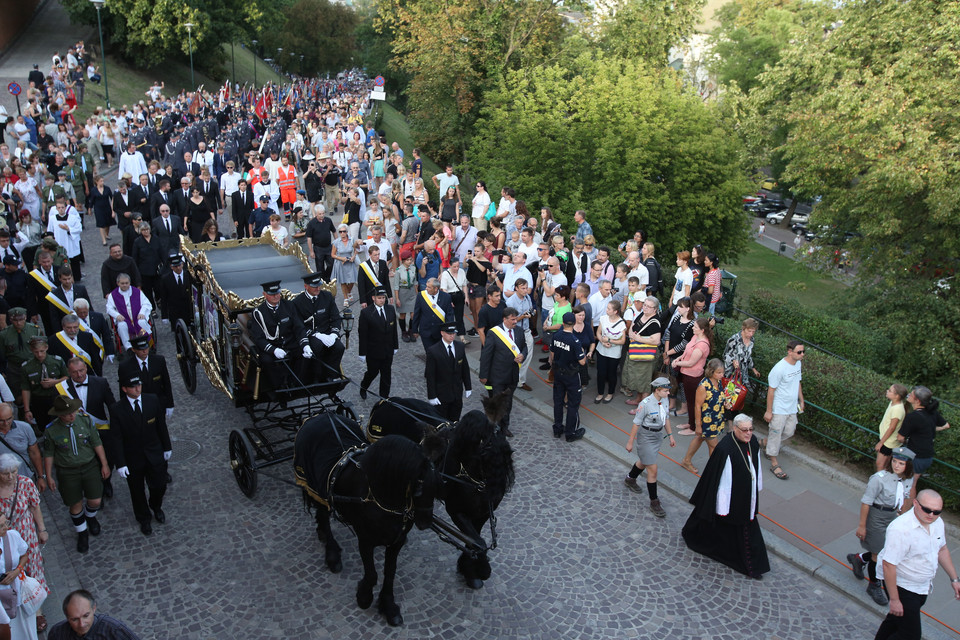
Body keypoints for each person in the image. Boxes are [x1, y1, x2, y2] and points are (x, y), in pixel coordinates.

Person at [682, 413, 770, 580]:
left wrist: (756, 487)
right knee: (739, 531)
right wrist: (722, 506)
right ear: (735, 429)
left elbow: (755, 465)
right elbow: (721, 481)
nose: (749, 433)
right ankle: (750, 567)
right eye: (744, 430)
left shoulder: (752, 442)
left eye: (751, 429)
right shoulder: (726, 448)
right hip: (731, 500)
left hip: (745, 495)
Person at [874, 489, 960, 640]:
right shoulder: (900, 529)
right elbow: (888, 565)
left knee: (895, 621)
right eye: (927, 509)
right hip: (903, 586)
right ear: (915, 503)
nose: (931, 515)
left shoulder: (937, 522)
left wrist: (954, 579)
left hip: (922, 586)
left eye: (936, 511)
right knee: (911, 635)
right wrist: (894, 600)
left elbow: (942, 549)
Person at [847, 446, 915, 606]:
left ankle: (859, 558)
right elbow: (866, 502)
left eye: (901, 463)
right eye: (895, 461)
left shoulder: (908, 479)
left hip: (893, 516)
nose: (896, 466)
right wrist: (862, 526)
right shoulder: (879, 478)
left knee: (886, 549)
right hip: (877, 516)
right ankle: (874, 585)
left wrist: (902, 517)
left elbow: (905, 498)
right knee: (879, 553)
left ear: (908, 466)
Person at [43, 395, 110, 553]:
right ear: (59, 414)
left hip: (89, 466)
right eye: (67, 413)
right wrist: (48, 476)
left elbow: (96, 443)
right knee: (75, 503)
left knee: (95, 500)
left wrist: (104, 464)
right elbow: (48, 454)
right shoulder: (51, 430)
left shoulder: (85, 420)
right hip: (67, 471)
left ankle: (90, 516)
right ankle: (82, 533)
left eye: (72, 411)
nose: (71, 415)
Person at [108, 374, 171, 536]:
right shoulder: (117, 409)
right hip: (133, 457)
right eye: (133, 386)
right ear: (124, 389)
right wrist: (120, 463)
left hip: (154, 452)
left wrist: (167, 447)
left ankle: (156, 506)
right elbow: (116, 438)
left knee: (160, 484)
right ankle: (144, 518)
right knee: (137, 491)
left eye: (139, 385)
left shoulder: (152, 400)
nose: (138, 389)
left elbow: (161, 426)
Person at [0, 451, 48, 631]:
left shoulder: (26, 484)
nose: (11, 476)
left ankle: (37, 609)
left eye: (13, 471)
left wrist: (41, 529)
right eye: (6, 473)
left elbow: (35, 507)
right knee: (8, 570)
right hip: (4, 538)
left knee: (33, 570)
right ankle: (12, 604)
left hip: (27, 534)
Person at [624, 377, 676, 517]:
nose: (668, 393)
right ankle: (654, 502)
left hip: (657, 436)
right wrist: (630, 441)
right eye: (666, 390)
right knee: (652, 470)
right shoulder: (645, 403)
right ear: (657, 390)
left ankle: (630, 478)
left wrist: (670, 435)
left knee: (645, 461)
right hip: (646, 437)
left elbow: (666, 418)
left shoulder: (664, 400)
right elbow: (636, 423)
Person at [478, 307, 526, 438]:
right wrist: (483, 375)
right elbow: (486, 355)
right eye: (512, 319)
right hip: (498, 376)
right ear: (504, 319)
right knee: (497, 403)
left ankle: (504, 427)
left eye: (516, 318)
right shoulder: (494, 333)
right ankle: (494, 427)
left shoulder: (519, 331)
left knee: (508, 403)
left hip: (512, 375)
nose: (515, 321)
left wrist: (522, 355)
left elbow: (524, 347)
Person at [247, 281, 305, 389]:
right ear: (264, 294)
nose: (276, 296)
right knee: (266, 361)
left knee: (302, 353)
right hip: (271, 345)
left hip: (288, 342)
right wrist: (274, 350)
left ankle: (296, 382)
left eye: (277, 293)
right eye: (272, 294)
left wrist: (305, 344)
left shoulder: (289, 306)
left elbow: (298, 326)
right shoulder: (259, 312)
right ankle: (277, 387)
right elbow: (259, 338)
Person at [678, 358, 732, 474]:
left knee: (699, 438)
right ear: (711, 371)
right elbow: (697, 406)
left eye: (722, 372)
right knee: (714, 446)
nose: (721, 375)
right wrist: (698, 425)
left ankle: (686, 461)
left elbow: (719, 397)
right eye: (718, 373)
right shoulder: (703, 386)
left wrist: (725, 403)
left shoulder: (718, 382)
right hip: (707, 421)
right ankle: (714, 470)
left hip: (715, 419)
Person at [898, 386, 950, 501]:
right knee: (912, 482)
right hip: (927, 456)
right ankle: (903, 510)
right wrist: (928, 430)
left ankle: (903, 512)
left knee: (908, 484)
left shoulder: (912, 417)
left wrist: (908, 439)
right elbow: (946, 425)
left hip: (916, 456)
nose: (908, 396)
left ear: (917, 401)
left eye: (911, 395)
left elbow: (900, 438)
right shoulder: (932, 413)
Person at [763, 340, 805, 480]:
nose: (802, 354)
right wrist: (769, 411)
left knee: (789, 431)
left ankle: (765, 443)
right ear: (790, 351)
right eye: (799, 352)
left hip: (792, 407)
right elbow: (771, 390)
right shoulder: (779, 368)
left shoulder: (798, 364)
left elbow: (797, 382)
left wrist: (801, 400)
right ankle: (774, 463)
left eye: (803, 351)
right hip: (779, 408)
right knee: (776, 434)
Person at [291, 272, 344, 383]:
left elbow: (335, 317)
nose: (318, 288)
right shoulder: (297, 302)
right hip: (311, 334)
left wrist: (334, 334)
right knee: (317, 346)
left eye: (319, 285)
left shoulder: (327, 296)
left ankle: (331, 375)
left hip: (327, 332)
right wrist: (316, 335)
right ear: (306, 286)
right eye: (314, 286)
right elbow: (299, 325)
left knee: (339, 347)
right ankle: (316, 377)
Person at [549, 312, 587, 442]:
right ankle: (570, 433)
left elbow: (553, 354)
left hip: (558, 373)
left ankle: (557, 428)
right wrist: (584, 353)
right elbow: (582, 362)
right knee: (573, 404)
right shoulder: (575, 341)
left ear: (563, 323)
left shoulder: (556, 335)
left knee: (558, 401)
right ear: (574, 323)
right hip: (571, 376)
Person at [357, 287, 398, 401]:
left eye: (383, 298)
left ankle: (384, 398)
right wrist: (362, 353)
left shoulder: (390, 309)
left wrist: (395, 346)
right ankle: (363, 386)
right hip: (373, 350)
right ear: (373, 298)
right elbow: (363, 334)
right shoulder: (366, 313)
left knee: (386, 374)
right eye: (379, 298)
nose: (382, 300)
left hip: (388, 349)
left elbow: (394, 329)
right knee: (372, 372)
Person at [47, 589, 142, 639]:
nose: (82, 624)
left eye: (86, 616)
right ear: (67, 617)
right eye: (75, 619)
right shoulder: (57, 633)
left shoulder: (114, 630)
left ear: (94, 608)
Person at [21, 336, 68, 435]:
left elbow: (67, 377)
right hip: (39, 400)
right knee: (44, 427)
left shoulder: (57, 361)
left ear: (46, 347)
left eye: (42, 351)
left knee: (61, 424)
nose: (39, 354)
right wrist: (27, 410)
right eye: (36, 352)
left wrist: (54, 382)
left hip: (56, 398)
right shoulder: (27, 367)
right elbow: (25, 388)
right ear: (32, 350)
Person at [425, 322, 471, 421]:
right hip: (441, 395)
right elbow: (430, 375)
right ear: (442, 333)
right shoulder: (433, 351)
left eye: (453, 333)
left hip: (457, 394)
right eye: (449, 333)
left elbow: (465, 368)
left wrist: (468, 387)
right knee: (442, 422)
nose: (452, 336)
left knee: (455, 420)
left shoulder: (460, 346)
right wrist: (432, 396)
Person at [721, 317, 761, 425]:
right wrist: (733, 360)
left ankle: (733, 422)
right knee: (730, 398)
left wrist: (753, 368)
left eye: (753, 331)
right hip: (731, 375)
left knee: (738, 399)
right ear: (743, 328)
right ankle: (730, 425)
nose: (751, 334)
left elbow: (748, 357)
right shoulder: (734, 339)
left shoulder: (751, 341)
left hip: (742, 375)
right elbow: (725, 355)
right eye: (749, 331)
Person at [105, 273, 152, 352]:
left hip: (137, 316)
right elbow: (109, 308)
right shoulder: (113, 295)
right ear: (118, 283)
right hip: (123, 318)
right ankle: (129, 348)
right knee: (122, 326)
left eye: (127, 283)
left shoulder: (137, 292)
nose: (125, 285)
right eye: (122, 283)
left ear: (130, 282)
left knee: (142, 322)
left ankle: (145, 342)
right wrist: (117, 315)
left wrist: (142, 312)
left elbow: (146, 304)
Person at [594, 300, 626, 404]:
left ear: (615, 311)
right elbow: (598, 333)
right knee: (601, 373)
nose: (606, 310)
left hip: (614, 353)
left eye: (608, 309)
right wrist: (602, 342)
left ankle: (610, 393)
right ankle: (600, 393)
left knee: (611, 374)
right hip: (601, 350)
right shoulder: (603, 319)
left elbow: (622, 341)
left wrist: (609, 340)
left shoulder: (621, 324)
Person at [410, 277, 453, 352]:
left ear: (436, 288)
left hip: (440, 332)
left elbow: (449, 315)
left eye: (429, 287)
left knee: (440, 353)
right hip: (426, 331)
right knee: (430, 353)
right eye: (426, 286)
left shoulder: (446, 297)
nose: (426, 288)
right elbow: (417, 313)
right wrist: (415, 330)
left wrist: (449, 331)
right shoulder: (421, 295)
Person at [874, 384, 909, 472]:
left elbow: (892, 428)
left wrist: (881, 443)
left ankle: (879, 484)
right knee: (884, 465)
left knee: (880, 465)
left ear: (897, 396)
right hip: (887, 440)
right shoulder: (893, 403)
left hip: (888, 442)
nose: (887, 391)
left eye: (890, 391)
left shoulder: (897, 410)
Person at [330, 224, 358, 306]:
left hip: (350, 262)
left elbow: (356, 250)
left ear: (347, 232)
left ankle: (349, 291)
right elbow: (332, 254)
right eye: (340, 232)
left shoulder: (352, 240)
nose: (342, 233)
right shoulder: (336, 242)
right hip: (340, 263)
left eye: (344, 231)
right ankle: (346, 298)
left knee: (352, 280)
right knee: (343, 281)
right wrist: (341, 258)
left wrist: (353, 256)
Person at [305, 204, 335, 281]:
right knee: (320, 267)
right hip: (318, 248)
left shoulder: (328, 220)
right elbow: (309, 238)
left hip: (328, 246)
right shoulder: (311, 223)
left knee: (331, 264)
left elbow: (334, 231)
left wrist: (337, 244)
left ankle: (327, 277)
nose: (322, 215)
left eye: (323, 213)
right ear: (316, 214)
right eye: (320, 214)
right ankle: (322, 280)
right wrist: (311, 251)